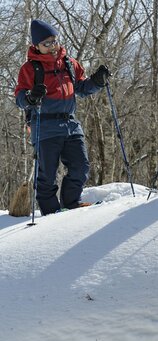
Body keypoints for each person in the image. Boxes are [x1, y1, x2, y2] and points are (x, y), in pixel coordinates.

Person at [15, 19, 110, 215]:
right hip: (45, 125)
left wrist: (97, 82)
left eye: (54, 41)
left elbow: (82, 88)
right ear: (36, 46)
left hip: (71, 123)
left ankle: (71, 203)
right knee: (47, 176)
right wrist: (31, 97)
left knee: (80, 167)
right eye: (46, 43)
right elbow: (19, 97)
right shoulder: (30, 68)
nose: (52, 46)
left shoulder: (69, 63)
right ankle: (51, 213)